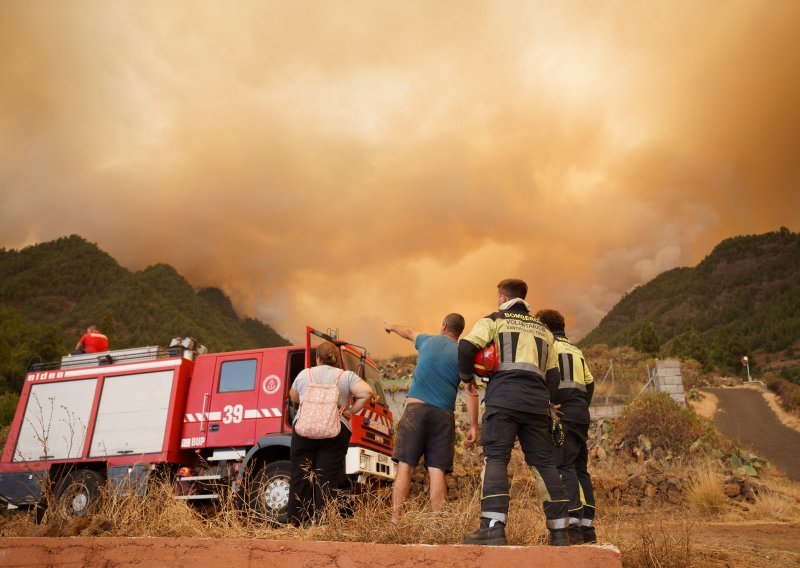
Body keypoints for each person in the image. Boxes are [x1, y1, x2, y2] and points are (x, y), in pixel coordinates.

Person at [459, 279, 571, 546]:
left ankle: (493, 528)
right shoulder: (545, 332)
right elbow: (554, 376)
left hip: (503, 401)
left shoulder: (494, 320)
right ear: (524, 298)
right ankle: (560, 533)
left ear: (502, 297)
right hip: (536, 406)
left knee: (497, 459)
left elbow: (465, 347)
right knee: (544, 464)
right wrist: (549, 400)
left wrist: (467, 378)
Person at [384, 314, 479, 521]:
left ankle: (395, 520)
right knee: (437, 471)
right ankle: (438, 525)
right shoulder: (462, 353)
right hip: (443, 416)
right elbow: (471, 390)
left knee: (406, 466)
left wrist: (392, 325)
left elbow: (408, 332)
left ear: (443, 325)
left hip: (415, 412)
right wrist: (473, 425)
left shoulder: (427, 340)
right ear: (459, 331)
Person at [288, 340, 374, 525]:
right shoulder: (346, 376)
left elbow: (293, 397)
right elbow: (367, 392)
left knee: (299, 475)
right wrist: (351, 411)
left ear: (317, 358)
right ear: (336, 359)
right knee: (326, 478)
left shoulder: (305, 374)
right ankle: (323, 523)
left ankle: (293, 523)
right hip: (335, 430)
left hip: (305, 430)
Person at [535, 308, 597, 544]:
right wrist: (580, 404)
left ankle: (572, 525)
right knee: (581, 469)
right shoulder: (576, 350)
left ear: (544, 326)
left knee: (563, 466)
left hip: (564, 414)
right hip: (581, 414)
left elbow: (546, 376)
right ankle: (587, 527)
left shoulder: (549, 345)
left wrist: (552, 403)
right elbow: (590, 383)